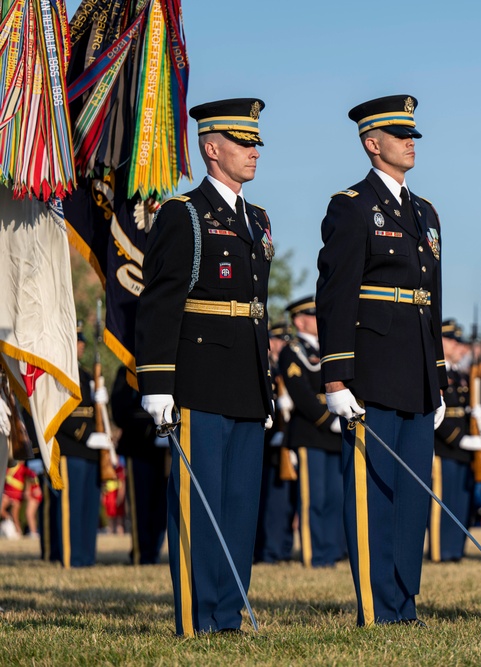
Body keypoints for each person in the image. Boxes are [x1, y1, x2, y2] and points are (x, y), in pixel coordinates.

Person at [135, 98, 273, 635]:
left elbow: (255, 310)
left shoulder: (256, 218)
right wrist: (156, 383)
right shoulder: (184, 213)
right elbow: (161, 301)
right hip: (198, 377)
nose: (253, 152)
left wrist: (265, 384)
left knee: (239, 507)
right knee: (200, 503)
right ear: (211, 148)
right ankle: (197, 617)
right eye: (243, 143)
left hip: (246, 379)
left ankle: (227, 612)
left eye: (255, 143)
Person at [316, 94, 446, 627]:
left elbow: (431, 300)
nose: (410, 142)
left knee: (413, 496)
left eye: (412, 134)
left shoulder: (425, 212)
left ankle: (404, 602)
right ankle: (376, 607)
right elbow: (336, 293)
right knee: (374, 492)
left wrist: (438, 379)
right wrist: (337, 376)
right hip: (371, 369)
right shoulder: (350, 205)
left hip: (416, 369)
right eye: (399, 135)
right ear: (372, 143)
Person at [279, 296, 347, 568]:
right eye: (312, 314)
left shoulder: (330, 348)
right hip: (310, 432)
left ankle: (331, 552)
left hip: (334, 433)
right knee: (313, 499)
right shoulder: (291, 351)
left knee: (335, 497)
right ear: (298, 320)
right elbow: (301, 394)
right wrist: (326, 418)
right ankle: (314, 554)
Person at [40, 325, 109, 567]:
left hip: (91, 452)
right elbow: (58, 414)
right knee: (71, 509)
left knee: (89, 509)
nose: (81, 345)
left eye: (82, 341)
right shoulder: (57, 375)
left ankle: (86, 557)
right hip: (70, 449)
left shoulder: (87, 376)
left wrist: (101, 401)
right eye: (77, 340)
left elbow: (94, 414)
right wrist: (86, 434)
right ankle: (71, 557)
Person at [110, 365, 169, 564]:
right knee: (140, 504)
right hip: (138, 447)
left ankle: (154, 551)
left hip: (164, 449)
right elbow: (119, 410)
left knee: (161, 504)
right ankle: (141, 553)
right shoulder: (127, 370)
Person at [427, 319, 475, 562]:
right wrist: (458, 438)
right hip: (444, 445)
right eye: (453, 341)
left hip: (462, 447)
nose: (459, 346)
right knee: (443, 502)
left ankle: (455, 550)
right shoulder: (436, 371)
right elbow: (435, 410)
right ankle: (440, 550)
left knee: (460, 501)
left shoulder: (459, 374)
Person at [255, 322, 298, 564]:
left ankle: (283, 548)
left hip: (287, 445)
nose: (281, 346)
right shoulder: (266, 370)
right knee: (270, 504)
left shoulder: (286, 372)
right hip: (268, 446)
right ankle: (268, 551)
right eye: (277, 341)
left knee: (286, 504)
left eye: (285, 342)